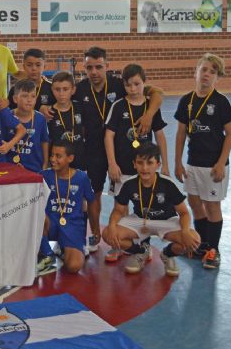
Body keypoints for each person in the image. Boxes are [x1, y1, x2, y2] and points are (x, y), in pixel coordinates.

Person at [73, 47, 163, 256]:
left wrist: (149, 113)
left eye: (98, 67)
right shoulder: (80, 89)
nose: (94, 71)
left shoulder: (120, 85)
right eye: (89, 67)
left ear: (107, 66)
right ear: (84, 68)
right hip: (93, 151)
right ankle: (95, 233)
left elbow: (157, 93)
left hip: (121, 151)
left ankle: (134, 238)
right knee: (93, 195)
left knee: (127, 197)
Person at [174, 53, 231, 269]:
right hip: (193, 163)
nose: (207, 74)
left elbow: (230, 134)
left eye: (212, 71)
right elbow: (181, 134)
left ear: (217, 78)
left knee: (212, 207)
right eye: (204, 69)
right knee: (194, 203)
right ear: (196, 72)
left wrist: (221, 163)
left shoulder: (221, 102)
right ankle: (202, 244)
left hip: (213, 166)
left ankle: (213, 250)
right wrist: (178, 162)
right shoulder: (186, 101)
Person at [102, 143, 201, 276]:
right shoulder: (129, 184)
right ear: (134, 164)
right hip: (140, 221)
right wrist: (112, 226)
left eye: (150, 163)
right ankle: (140, 251)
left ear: (158, 165)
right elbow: (118, 210)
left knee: (194, 240)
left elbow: (183, 212)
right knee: (108, 234)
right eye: (140, 163)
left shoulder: (168, 184)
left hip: (166, 221)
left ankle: (167, 254)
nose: (145, 168)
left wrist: (185, 232)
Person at [104, 63, 168, 262]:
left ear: (144, 83)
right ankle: (118, 244)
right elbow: (109, 136)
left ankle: (145, 245)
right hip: (122, 168)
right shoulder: (119, 106)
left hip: (145, 170)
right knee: (120, 208)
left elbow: (160, 136)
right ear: (123, 85)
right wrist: (112, 164)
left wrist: (164, 164)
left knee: (144, 209)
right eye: (129, 85)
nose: (133, 89)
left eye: (137, 84)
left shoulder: (151, 106)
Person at [40, 141, 96, 274]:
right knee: (40, 219)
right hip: (50, 223)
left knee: (74, 266)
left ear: (70, 158)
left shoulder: (82, 178)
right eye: (52, 155)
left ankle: (65, 248)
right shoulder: (44, 176)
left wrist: (96, 229)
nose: (53, 159)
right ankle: (48, 251)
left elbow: (92, 202)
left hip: (72, 224)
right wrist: (42, 215)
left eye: (58, 156)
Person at [7, 79, 49, 173]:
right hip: (10, 167)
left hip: (34, 168)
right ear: (15, 99)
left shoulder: (40, 119)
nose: (29, 100)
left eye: (33, 96)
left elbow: (44, 142)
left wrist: (45, 164)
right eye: (25, 96)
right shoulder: (7, 117)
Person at [47, 71, 87, 171]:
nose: (61, 94)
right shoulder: (49, 113)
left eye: (65, 89)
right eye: (57, 89)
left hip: (80, 161)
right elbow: (47, 141)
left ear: (73, 90)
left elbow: (84, 130)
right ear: (52, 90)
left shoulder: (79, 107)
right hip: (58, 164)